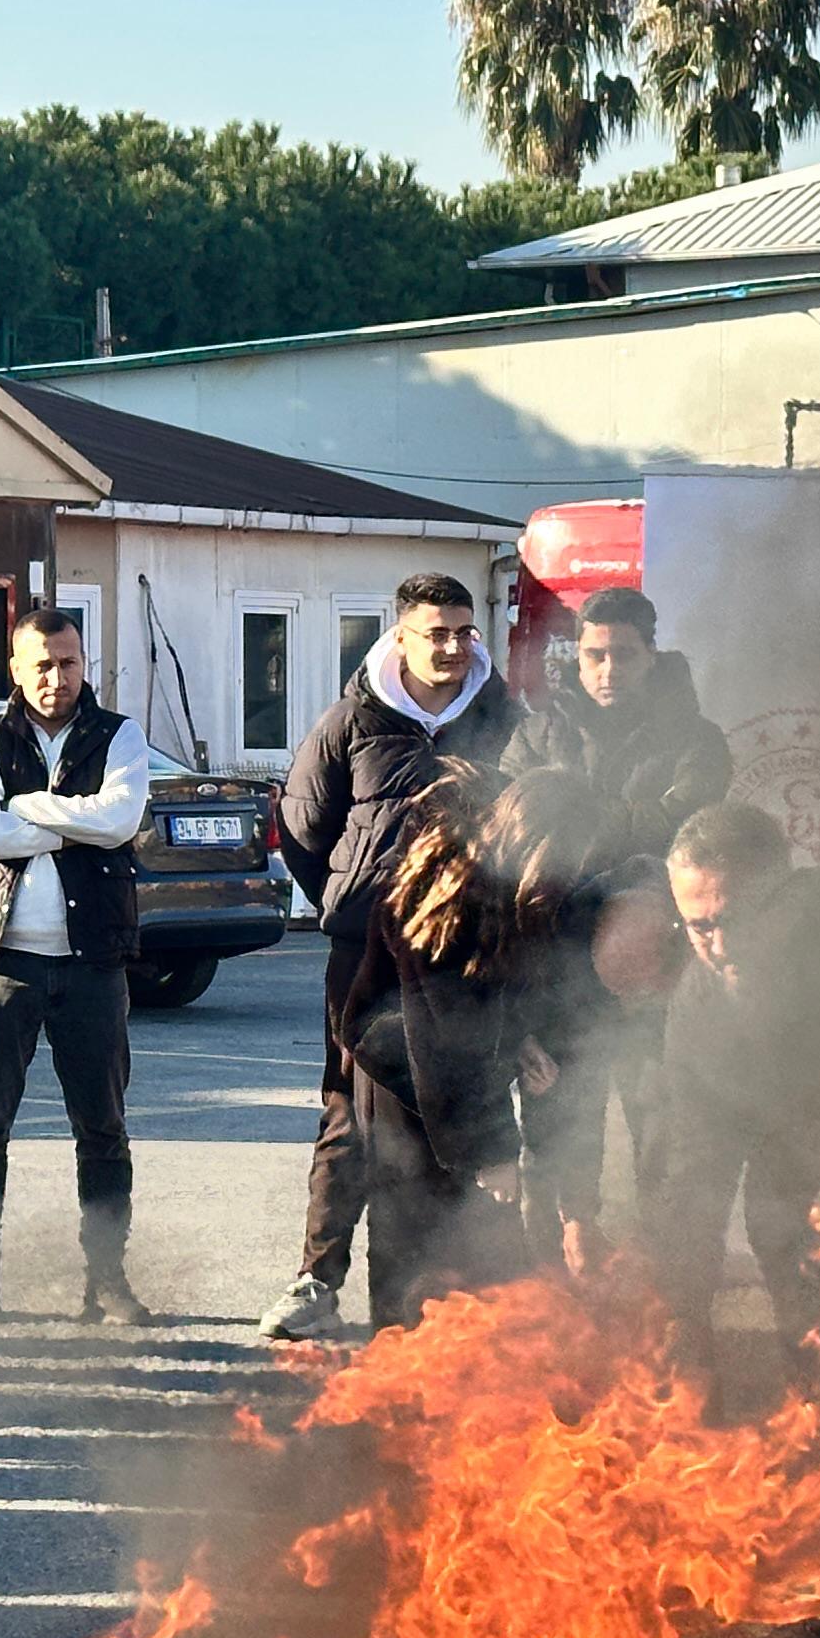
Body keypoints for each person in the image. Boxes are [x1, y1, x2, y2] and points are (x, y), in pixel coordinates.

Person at [632, 797, 820, 1638]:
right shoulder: (699, 1004)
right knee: (794, 1399)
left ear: (781, 894)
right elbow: (694, 1163)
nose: (716, 942)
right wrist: (677, 1305)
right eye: (696, 924)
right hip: (801, 1219)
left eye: (733, 918)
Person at [264, 572, 518, 1340]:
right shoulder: (353, 720)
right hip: (365, 952)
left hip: (465, 952)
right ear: (400, 636)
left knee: (457, 1105)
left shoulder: (508, 720)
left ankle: (450, 1298)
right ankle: (317, 1278)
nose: (449, 646)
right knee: (349, 1107)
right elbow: (305, 827)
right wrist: (355, 905)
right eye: (434, 632)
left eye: (462, 632)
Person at [0, 608, 153, 1326]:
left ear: (84, 662)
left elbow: (120, 821)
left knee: (102, 1128)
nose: (57, 677)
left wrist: (28, 808)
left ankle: (107, 1282)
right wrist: (69, 821)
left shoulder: (119, 734)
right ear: (16, 670)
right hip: (1, 959)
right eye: (42, 664)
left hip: (93, 963)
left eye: (69, 662)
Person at [333, 766, 609, 1332]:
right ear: (536, 842)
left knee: (487, 1247)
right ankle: (401, 1375)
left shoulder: (516, 884)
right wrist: (493, 1153)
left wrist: (521, 1039)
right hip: (397, 1063)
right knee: (415, 1236)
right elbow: (443, 1040)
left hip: (451, 1068)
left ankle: (481, 1379)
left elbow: (505, 992)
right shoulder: (450, 894)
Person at [507, 584, 733, 1244]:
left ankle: (667, 1303)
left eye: (625, 656)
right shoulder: (536, 736)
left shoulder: (698, 741)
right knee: (553, 1154)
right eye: (596, 655)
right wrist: (631, 831)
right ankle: (551, 1302)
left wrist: (570, 824)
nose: (609, 671)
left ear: (653, 656)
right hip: (553, 978)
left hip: (653, 980)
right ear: (576, 657)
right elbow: (514, 836)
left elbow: (684, 834)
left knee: (664, 1150)